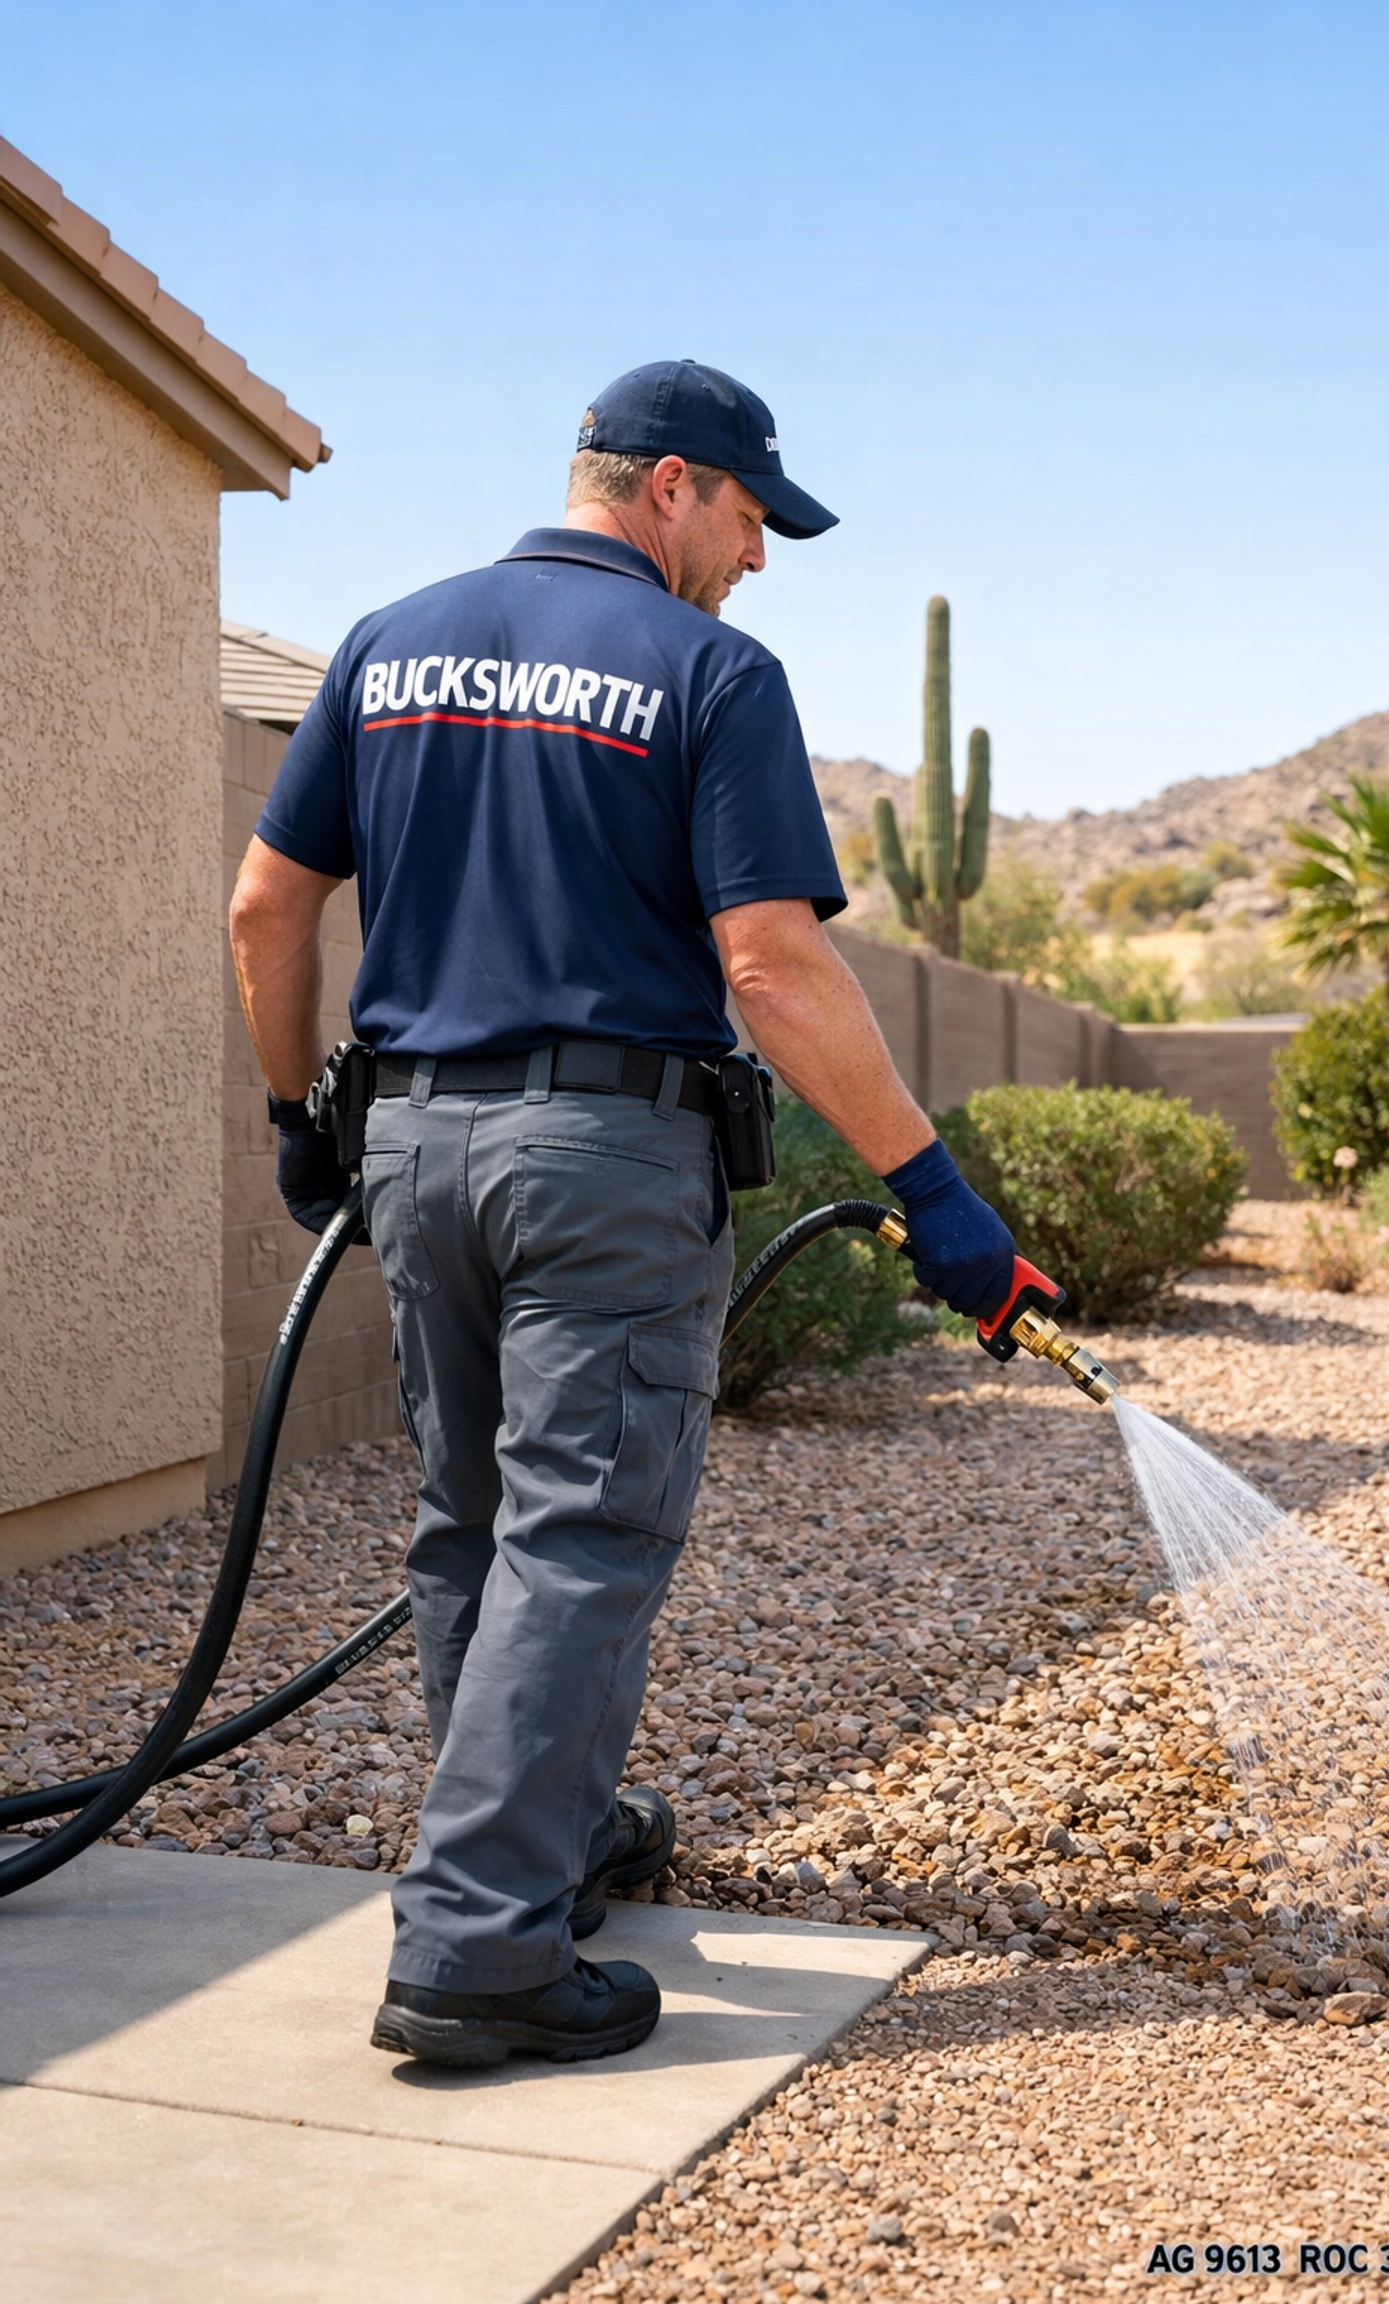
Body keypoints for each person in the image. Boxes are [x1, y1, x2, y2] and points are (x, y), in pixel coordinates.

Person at [229, 359, 1020, 2070]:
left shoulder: (385, 643)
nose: (758, 556)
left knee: (470, 1529)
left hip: (418, 1151)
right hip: (606, 1158)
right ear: (668, 487)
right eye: (749, 516)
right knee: (579, 1538)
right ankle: (480, 1949)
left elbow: (262, 909)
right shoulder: (711, 672)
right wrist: (929, 1187)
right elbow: (771, 963)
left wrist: (302, 1119)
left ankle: (543, 1851)